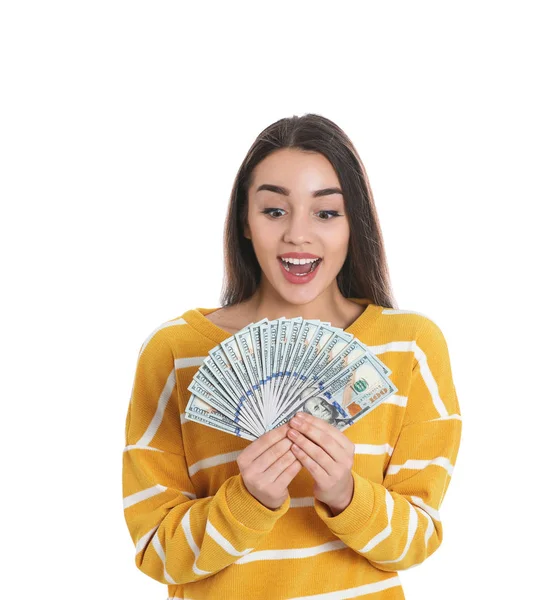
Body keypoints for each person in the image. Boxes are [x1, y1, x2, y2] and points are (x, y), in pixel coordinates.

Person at [122, 113, 462, 600]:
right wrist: (248, 501)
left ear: (353, 223)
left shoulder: (411, 346)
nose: (298, 235)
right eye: (274, 210)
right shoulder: (176, 351)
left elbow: (417, 541)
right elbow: (157, 549)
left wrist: (347, 494)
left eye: (326, 212)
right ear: (245, 219)